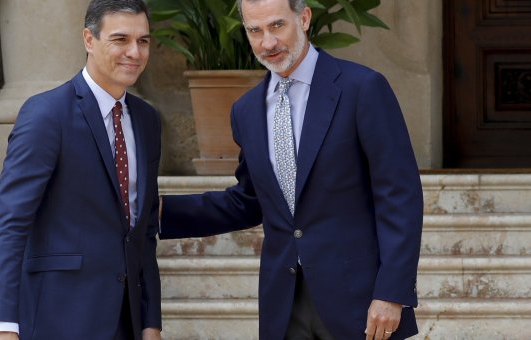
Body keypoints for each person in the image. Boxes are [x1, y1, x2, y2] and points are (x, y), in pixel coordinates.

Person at [158, 0, 423, 339]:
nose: (267, 43)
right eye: (255, 31)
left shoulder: (362, 89)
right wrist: (161, 209)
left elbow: (400, 196)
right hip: (283, 306)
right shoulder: (246, 111)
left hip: (360, 303)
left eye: (277, 26)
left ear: (305, 18)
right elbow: (249, 201)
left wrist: (392, 293)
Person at [0, 1, 162, 339]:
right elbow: (10, 221)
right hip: (58, 318)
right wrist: (3, 325)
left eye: (143, 41)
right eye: (120, 39)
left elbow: (143, 231)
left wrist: (151, 322)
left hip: (128, 321)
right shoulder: (47, 114)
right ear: (89, 40)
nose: (134, 52)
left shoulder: (147, 121)